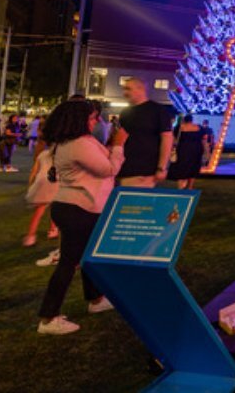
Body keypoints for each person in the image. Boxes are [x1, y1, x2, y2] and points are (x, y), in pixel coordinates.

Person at [37, 99, 127, 335]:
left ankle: (95, 299)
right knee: (69, 263)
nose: (97, 121)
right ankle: (48, 318)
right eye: (92, 117)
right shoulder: (79, 144)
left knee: (88, 258)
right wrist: (118, 146)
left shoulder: (71, 142)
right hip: (79, 208)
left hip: (75, 206)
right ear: (79, 120)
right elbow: (108, 169)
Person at [117, 77, 173, 187]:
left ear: (140, 89)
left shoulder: (158, 111)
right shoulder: (125, 113)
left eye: (128, 89)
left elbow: (167, 138)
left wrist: (161, 167)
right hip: (125, 169)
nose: (125, 93)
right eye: (124, 89)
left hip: (145, 171)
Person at [23, 141, 60, 246]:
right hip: (55, 183)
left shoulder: (42, 154)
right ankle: (53, 230)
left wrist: (31, 184)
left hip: (42, 183)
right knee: (54, 209)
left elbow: (34, 170)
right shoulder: (62, 155)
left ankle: (31, 235)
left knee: (39, 211)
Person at [167, 115, 204, 189]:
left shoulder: (180, 128)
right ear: (192, 120)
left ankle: (181, 186)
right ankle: (190, 187)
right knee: (193, 167)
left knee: (181, 167)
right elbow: (203, 139)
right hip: (196, 149)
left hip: (183, 149)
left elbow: (174, 139)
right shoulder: (199, 128)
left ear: (184, 120)